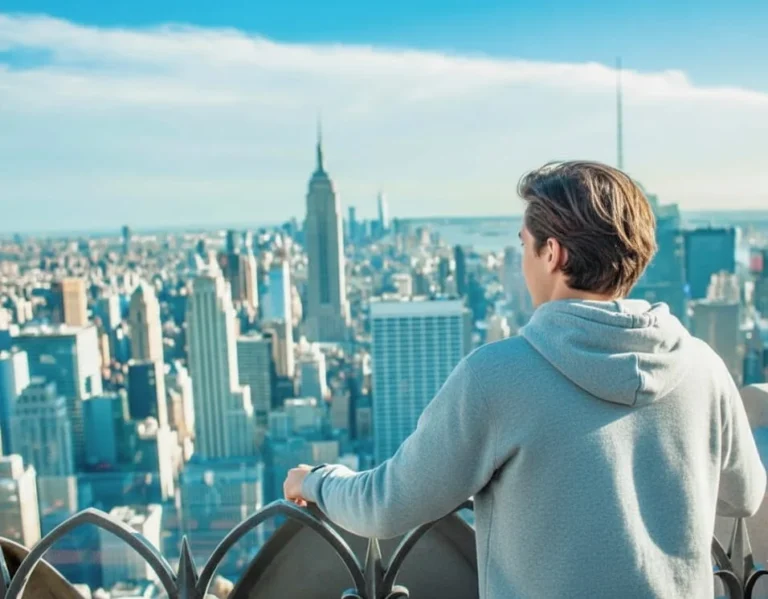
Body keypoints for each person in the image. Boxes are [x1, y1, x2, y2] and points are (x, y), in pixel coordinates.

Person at [284, 161, 766, 598]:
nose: (521, 260)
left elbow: (386, 507)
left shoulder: (497, 377)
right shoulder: (704, 367)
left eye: (523, 245)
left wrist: (319, 481)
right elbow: (744, 496)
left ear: (552, 253)